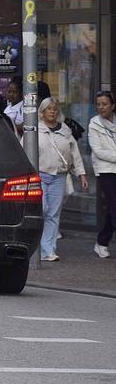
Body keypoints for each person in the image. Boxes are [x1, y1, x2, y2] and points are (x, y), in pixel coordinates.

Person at [36, 98, 89, 262]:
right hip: (40, 175)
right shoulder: (35, 130)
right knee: (42, 210)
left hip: (59, 176)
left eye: (55, 109)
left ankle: (48, 251)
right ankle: (37, 246)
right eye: (49, 109)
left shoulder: (65, 130)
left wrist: (81, 174)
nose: (52, 111)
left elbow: (75, 153)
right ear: (42, 112)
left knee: (53, 214)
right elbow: (26, 151)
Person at [88, 90, 116, 259]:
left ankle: (102, 242)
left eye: (104, 104)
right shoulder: (94, 124)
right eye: (98, 104)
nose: (101, 107)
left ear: (112, 106)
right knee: (115, 205)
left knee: (112, 209)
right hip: (105, 170)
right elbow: (98, 151)